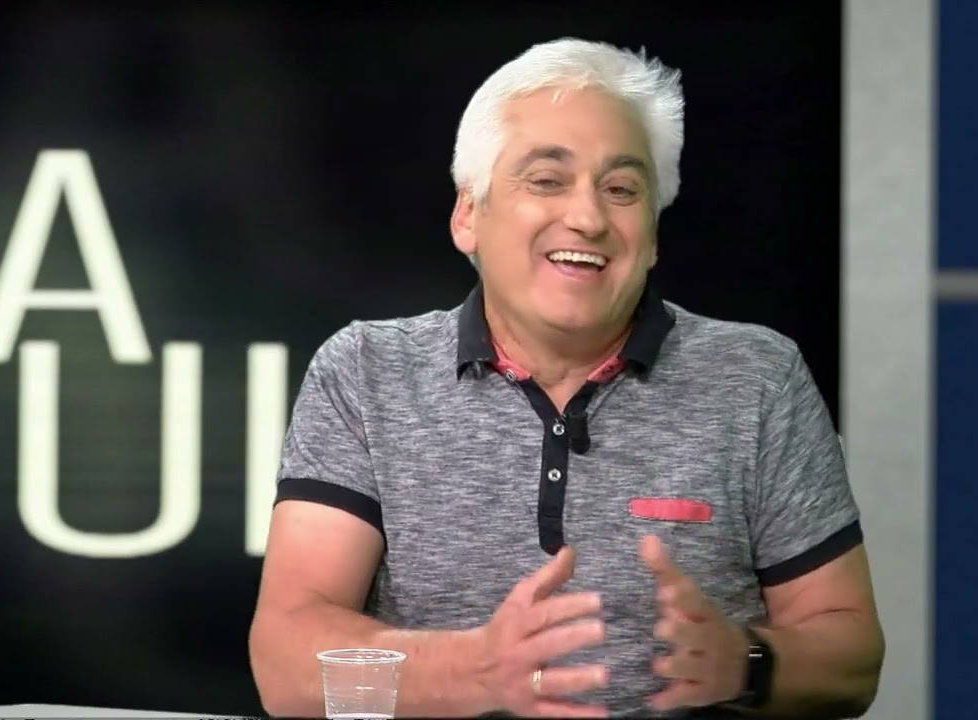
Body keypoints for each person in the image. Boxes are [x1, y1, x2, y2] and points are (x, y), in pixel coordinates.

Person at [248, 37, 884, 719]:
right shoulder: (366, 372)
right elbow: (287, 660)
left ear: (653, 234)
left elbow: (852, 658)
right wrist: (478, 671)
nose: (587, 218)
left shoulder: (757, 378)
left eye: (621, 190)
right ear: (468, 215)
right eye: (547, 180)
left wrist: (745, 662)